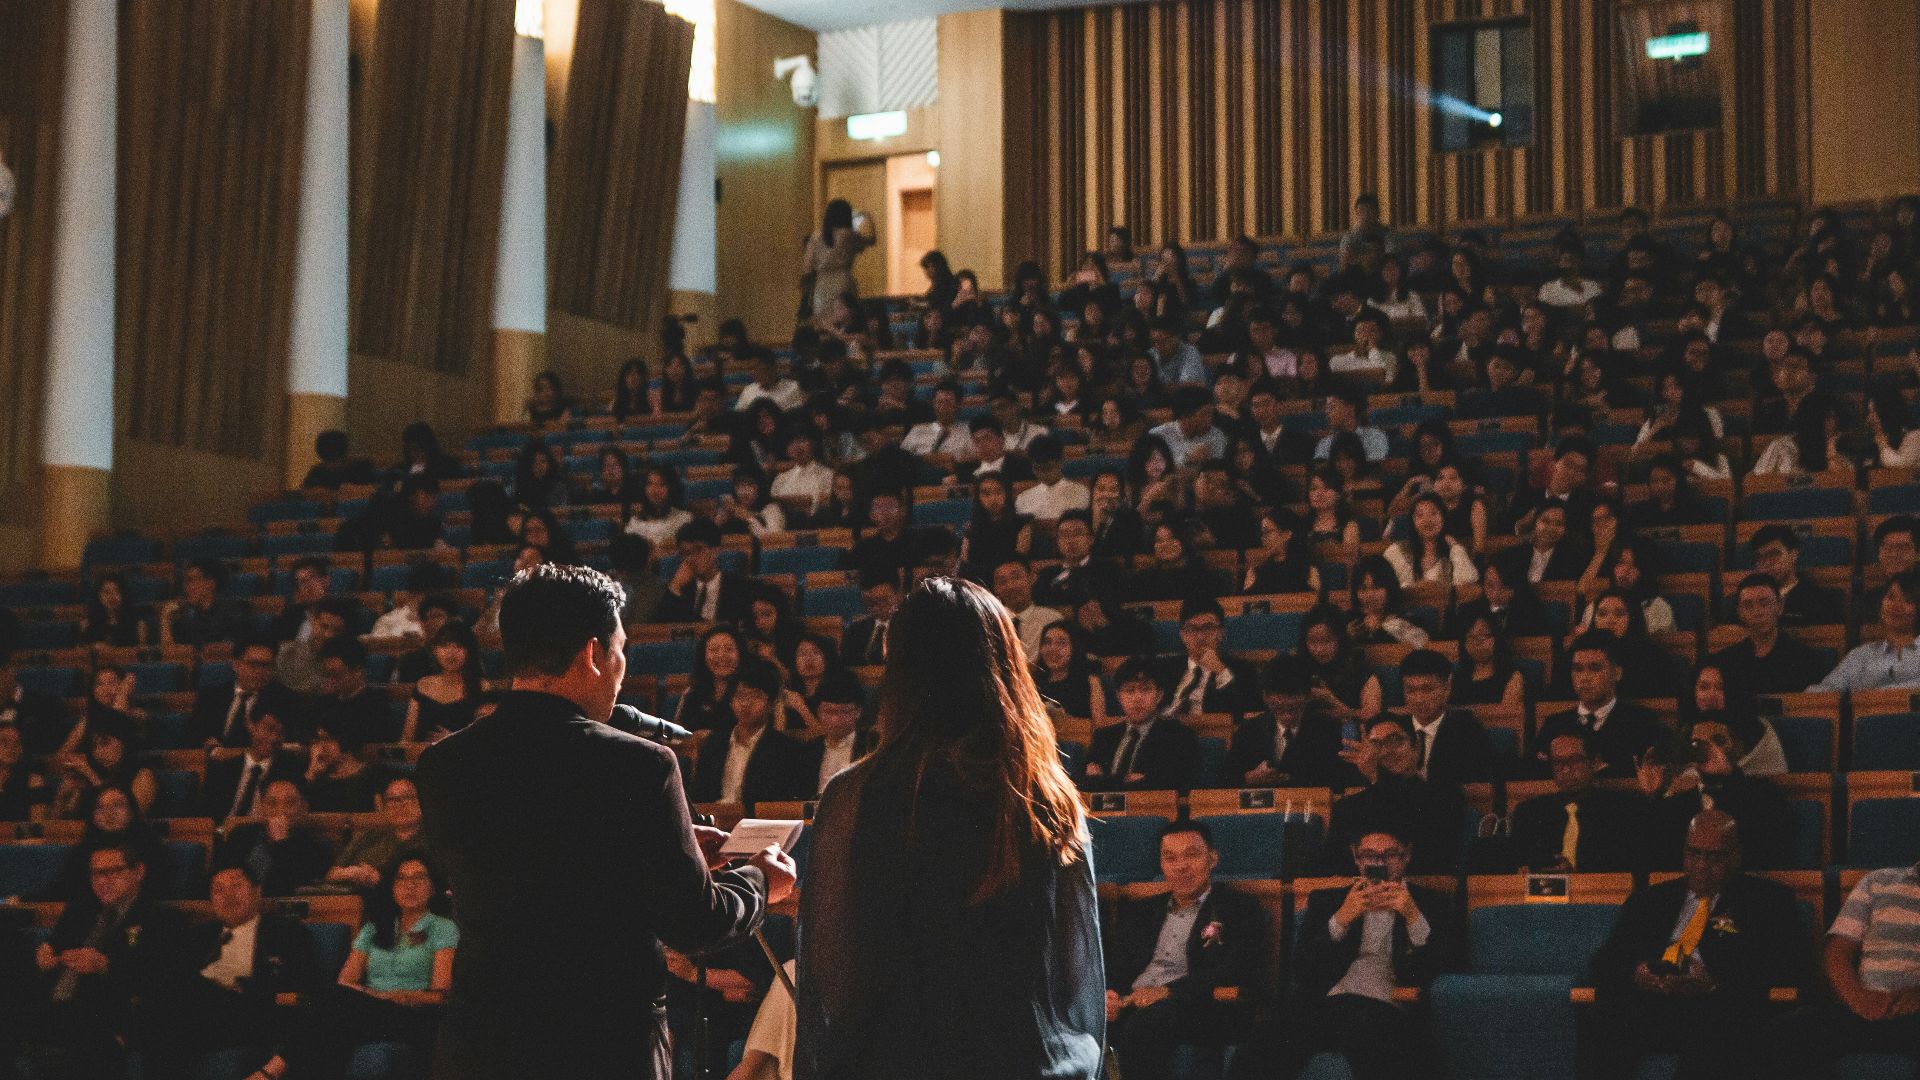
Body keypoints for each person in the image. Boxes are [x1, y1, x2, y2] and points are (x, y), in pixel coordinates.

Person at [416, 564, 793, 1079]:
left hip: (482, 1042)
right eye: (620, 650)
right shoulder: (640, 764)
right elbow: (695, 921)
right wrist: (760, 879)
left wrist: (663, 850)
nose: (621, 667)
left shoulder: (443, 765)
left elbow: (531, 877)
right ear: (594, 654)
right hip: (602, 1044)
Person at [795, 576, 1105, 1080]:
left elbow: (831, 970)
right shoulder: (1045, 792)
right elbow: (1074, 967)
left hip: (890, 1060)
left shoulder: (852, 794)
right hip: (1020, 1058)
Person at [1581, 810, 1809, 1080]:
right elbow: (1606, 960)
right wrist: (1638, 972)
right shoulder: (1651, 900)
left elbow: (1789, 967)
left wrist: (1713, 983)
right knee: (1602, 1020)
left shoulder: (1767, 901)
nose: (1701, 865)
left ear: (1736, 855)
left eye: (1714, 857)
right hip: (1652, 1003)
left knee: (1721, 1028)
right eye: (1694, 853)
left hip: (1717, 1005)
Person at [1276, 829, 1463, 1080]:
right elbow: (1302, 968)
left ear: (1407, 855)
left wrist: (1413, 917)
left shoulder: (1431, 902)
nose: (1378, 863)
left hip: (1387, 1008)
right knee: (1267, 1036)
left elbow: (1445, 967)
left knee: (1370, 1034)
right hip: (1328, 1006)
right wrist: (1341, 919)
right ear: (1356, 858)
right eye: (1369, 855)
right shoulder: (1328, 900)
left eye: (1390, 855)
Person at [247, 857, 457, 1080]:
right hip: (371, 1008)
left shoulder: (443, 928)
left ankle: (271, 1071)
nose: (409, 885)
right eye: (401, 879)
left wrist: (398, 996)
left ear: (433, 887)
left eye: (419, 878)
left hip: (413, 1013)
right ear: (391, 887)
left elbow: (439, 995)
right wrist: (373, 995)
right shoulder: (374, 928)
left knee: (331, 1013)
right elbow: (346, 981)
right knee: (331, 1018)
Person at [1104, 822, 1268, 1080]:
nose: (1181, 866)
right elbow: (1117, 964)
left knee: (1146, 1023)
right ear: (1161, 864)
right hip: (1135, 1003)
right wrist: (1110, 993)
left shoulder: (1239, 908)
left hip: (1199, 1005)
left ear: (1212, 858)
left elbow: (1236, 969)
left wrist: (1167, 992)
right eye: (1170, 858)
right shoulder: (1141, 912)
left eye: (1192, 855)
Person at [19, 841, 194, 1078]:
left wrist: (105, 965)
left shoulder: (163, 920)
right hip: (52, 1010)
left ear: (139, 871)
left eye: (113, 872)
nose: (103, 881)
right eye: (96, 874)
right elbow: (49, 956)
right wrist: (42, 959)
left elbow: (163, 982)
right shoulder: (77, 914)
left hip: (108, 1019)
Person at [149, 864, 317, 1075]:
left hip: (253, 1013)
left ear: (257, 891)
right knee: (162, 1008)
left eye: (236, 886)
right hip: (202, 1014)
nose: (228, 896)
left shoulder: (287, 932)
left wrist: (240, 986)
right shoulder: (199, 937)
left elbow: (303, 990)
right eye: (218, 890)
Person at [1762, 859, 1920, 1077]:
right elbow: (1837, 952)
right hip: (1865, 1007)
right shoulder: (1879, 881)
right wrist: (1859, 999)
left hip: (1915, 1017)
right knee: (1782, 1034)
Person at [1639, 716, 1794, 872]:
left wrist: (1727, 777)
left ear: (1738, 748)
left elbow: (1763, 855)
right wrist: (1653, 798)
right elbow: (1655, 858)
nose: (1709, 750)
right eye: (1698, 744)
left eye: (1719, 741)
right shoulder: (1677, 803)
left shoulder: (1763, 795)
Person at [1326, 714, 1468, 875]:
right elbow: (1337, 868)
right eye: (1376, 745)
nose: (1386, 751)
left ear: (1416, 747)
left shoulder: (1444, 796)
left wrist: (1376, 781)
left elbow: (1429, 859)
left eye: (1395, 741)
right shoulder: (1346, 808)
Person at [1508, 732, 1648, 873]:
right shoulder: (1529, 812)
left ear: (1595, 763)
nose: (1566, 769)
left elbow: (1628, 865)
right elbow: (1518, 865)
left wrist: (1575, 873)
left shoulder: (1622, 809)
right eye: (1558, 762)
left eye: (1575, 761)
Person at [1533, 632, 1667, 778]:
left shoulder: (1642, 722)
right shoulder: (1554, 724)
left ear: (1617, 673)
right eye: (1578, 669)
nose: (1584, 678)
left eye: (1595, 668)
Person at [688, 658, 812, 804]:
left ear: (771, 704)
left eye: (755, 696)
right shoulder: (713, 743)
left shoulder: (786, 749)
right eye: (740, 696)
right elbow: (698, 797)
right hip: (714, 821)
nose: (745, 703)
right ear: (731, 701)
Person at [1225, 656, 1349, 788]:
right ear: (1266, 697)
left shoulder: (1327, 729)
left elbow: (1337, 781)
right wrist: (1250, 778)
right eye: (1279, 708)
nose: (1288, 717)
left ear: (1307, 697)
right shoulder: (1249, 730)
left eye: (1294, 708)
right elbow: (1225, 781)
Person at [1084, 657, 1202, 791]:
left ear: (1159, 695)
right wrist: (1129, 779)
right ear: (1118, 697)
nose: (1137, 698)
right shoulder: (1103, 737)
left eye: (1145, 690)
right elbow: (1086, 784)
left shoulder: (1178, 735)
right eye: (1129, 690)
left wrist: (1106, 780)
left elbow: (1165, 785)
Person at [1706, 574, 1832, 695]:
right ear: (1740, 613)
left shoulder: (1805, 660)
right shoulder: (1724, 663)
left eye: (1764, 603)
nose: (1757, 613)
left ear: (1780, 606)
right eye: (1748, 606)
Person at [216, 779, 336, 896]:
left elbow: (283, 888)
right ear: (262, 807)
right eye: (272, 803)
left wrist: (280, 844)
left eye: (289, 803)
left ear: (304, 807)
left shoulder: (317, 847)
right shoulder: (241, 835)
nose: (280, 810)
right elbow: (223, 878)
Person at [1395, 647, 1495, 787]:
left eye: (1427, 689)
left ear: (1447, 689)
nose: (1418, 699)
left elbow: (1475, 783)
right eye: (1410, 691)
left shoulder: (1467, 730)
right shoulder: (1394, 730)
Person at [1812, 569, 1920, 691]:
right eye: (1891, 597)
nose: (1896, 606)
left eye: (1908, 601)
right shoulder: (1861, 655)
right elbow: (1825, 690)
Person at [1155, 597, 1263, 718]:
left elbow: (1246, 714)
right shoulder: (1163, 668)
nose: (1200, 637)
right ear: (1182, 635)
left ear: (1221, 633)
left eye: (1208, 628)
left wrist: (1221, 672)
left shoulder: (1243, 670)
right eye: (1192, 629)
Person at [190, 639, 305, 751]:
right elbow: (195, 733)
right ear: (235, 664)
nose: (260, 671)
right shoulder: (211, 696)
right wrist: (211, 746)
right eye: (254, 664)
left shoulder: (287, 700)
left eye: (266, 665)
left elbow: (290, 742)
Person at [323, 775, 429, 891]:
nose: (400, 804)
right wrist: (349, 873)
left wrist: (380, 879)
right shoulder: (369, 837)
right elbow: (331, 874)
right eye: (392, 800)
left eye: (407, 797)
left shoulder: (434, 841)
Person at [202, 709, 305, 824]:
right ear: (250, 725)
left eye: (280, 733)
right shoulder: (222, 768)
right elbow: (203, 814)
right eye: (269, 729)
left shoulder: (290, 771)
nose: (274, 738)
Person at [1746, 524, 1845, 628]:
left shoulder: (1819, 601)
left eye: (1774, 554)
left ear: (1793, 556)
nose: (1766, 563)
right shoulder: (1744, 600)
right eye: (1760, 558)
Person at [402, 621, 486, 743]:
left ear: (469, 651)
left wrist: (453, 739)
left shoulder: (482, 687)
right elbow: (407, 737)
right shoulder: (423, 685)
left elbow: (483, 740)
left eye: (458, 646)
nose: (451, 652)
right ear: (435, 650)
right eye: (444, 645)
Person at [660, 518, 754, 624]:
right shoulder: (677, 590)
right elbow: (660, 630)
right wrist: (675, 587)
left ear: (715, 551)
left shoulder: (740, 588)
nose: (690, 558)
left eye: (698, 550)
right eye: (685, 553)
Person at [803, 199, 872, 317]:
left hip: (822, 285)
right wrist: (869, 219)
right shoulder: (849, 235)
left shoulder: (815, 237)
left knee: (824, 323)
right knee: (846, 322)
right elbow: (871, 240)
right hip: (843, 281)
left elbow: (807, 267)